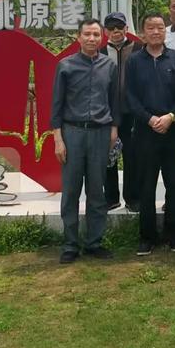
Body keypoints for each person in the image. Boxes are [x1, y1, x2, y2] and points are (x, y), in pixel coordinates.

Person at [51, 18, 120, 264]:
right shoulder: (65, 66)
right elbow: (56, 106)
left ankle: (94, 242)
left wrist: (113, 130)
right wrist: (58, 139)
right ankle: (70, 244)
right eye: (87, 34)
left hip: (101, 133)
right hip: (73, 133)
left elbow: (115, 101)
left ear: (102, 38)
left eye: (95, 35)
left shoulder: (109, 66)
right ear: (78, 37)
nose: (91, 39)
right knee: (70, 191)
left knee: (97, 190)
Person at [125, 12, 175, 255]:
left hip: (173, 131)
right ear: (143, 32)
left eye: (160, 27)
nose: (155, 32)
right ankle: (147, 237)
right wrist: (150, 118)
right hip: (145, 132)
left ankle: (174, 234)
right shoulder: (134, 61)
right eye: (150, 28)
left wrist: (171, 116)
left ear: (165, 31)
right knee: (146, 186)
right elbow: (130, 96)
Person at [102, 12, 140, 212]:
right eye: (111, 28)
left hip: (131, 113)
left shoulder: (138, 49)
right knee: (108, 157)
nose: (116, 32)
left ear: (126, 28)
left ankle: (133, 198)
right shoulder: (99, 52)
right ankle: (110, 198)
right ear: (105, 31)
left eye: (119, 27)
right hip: (106, 113)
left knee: (132, 156)